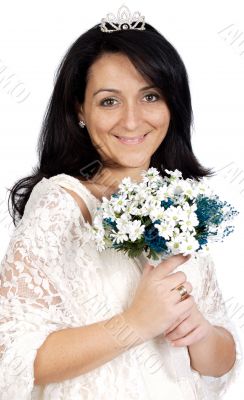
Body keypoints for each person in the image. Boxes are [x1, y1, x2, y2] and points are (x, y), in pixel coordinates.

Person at [0, 5, 242, 400]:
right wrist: (134, 323)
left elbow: (221, 359)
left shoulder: (177, 207)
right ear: (80, 109)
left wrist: (198, 329)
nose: (132, 121)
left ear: (172, 105)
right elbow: (11, 355)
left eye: (150, 96)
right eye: (109, 101)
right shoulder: (62, 202)